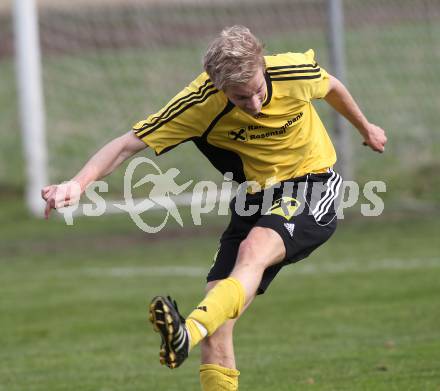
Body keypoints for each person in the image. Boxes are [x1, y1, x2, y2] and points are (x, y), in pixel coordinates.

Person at [42, 25, 387, 391]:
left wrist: (365, 128)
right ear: (219, 87)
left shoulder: (292, 72)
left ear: (263, 67)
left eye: (258, 90)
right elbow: (128, 145)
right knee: (218, 323)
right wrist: (77, 185)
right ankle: (194, 333)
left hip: (312, 183)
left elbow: (332, 86)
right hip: (254, 198)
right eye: (241, 98)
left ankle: (184, 334)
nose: (254, 104)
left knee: (252, 252)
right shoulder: (198, 104)